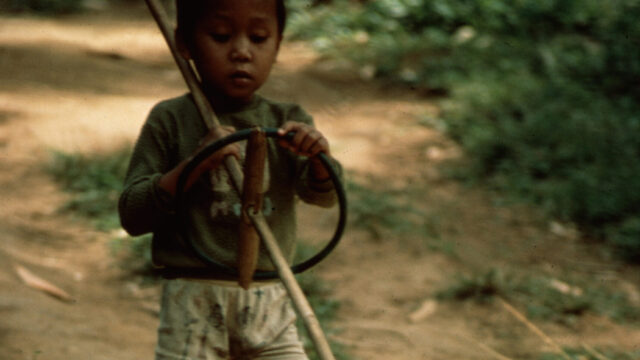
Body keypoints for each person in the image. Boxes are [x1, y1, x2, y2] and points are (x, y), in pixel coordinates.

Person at [118, 0, 341, 359]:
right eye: (221, 36)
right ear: (184, 43)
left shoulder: (288, 120)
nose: (241, 52)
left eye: (259, 37)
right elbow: (132, 214)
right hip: (194, 301)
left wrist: (318, 160)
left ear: (278, 43)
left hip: (272, 297)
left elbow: (324, 196)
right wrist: (194, 166)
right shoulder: (171, 119)